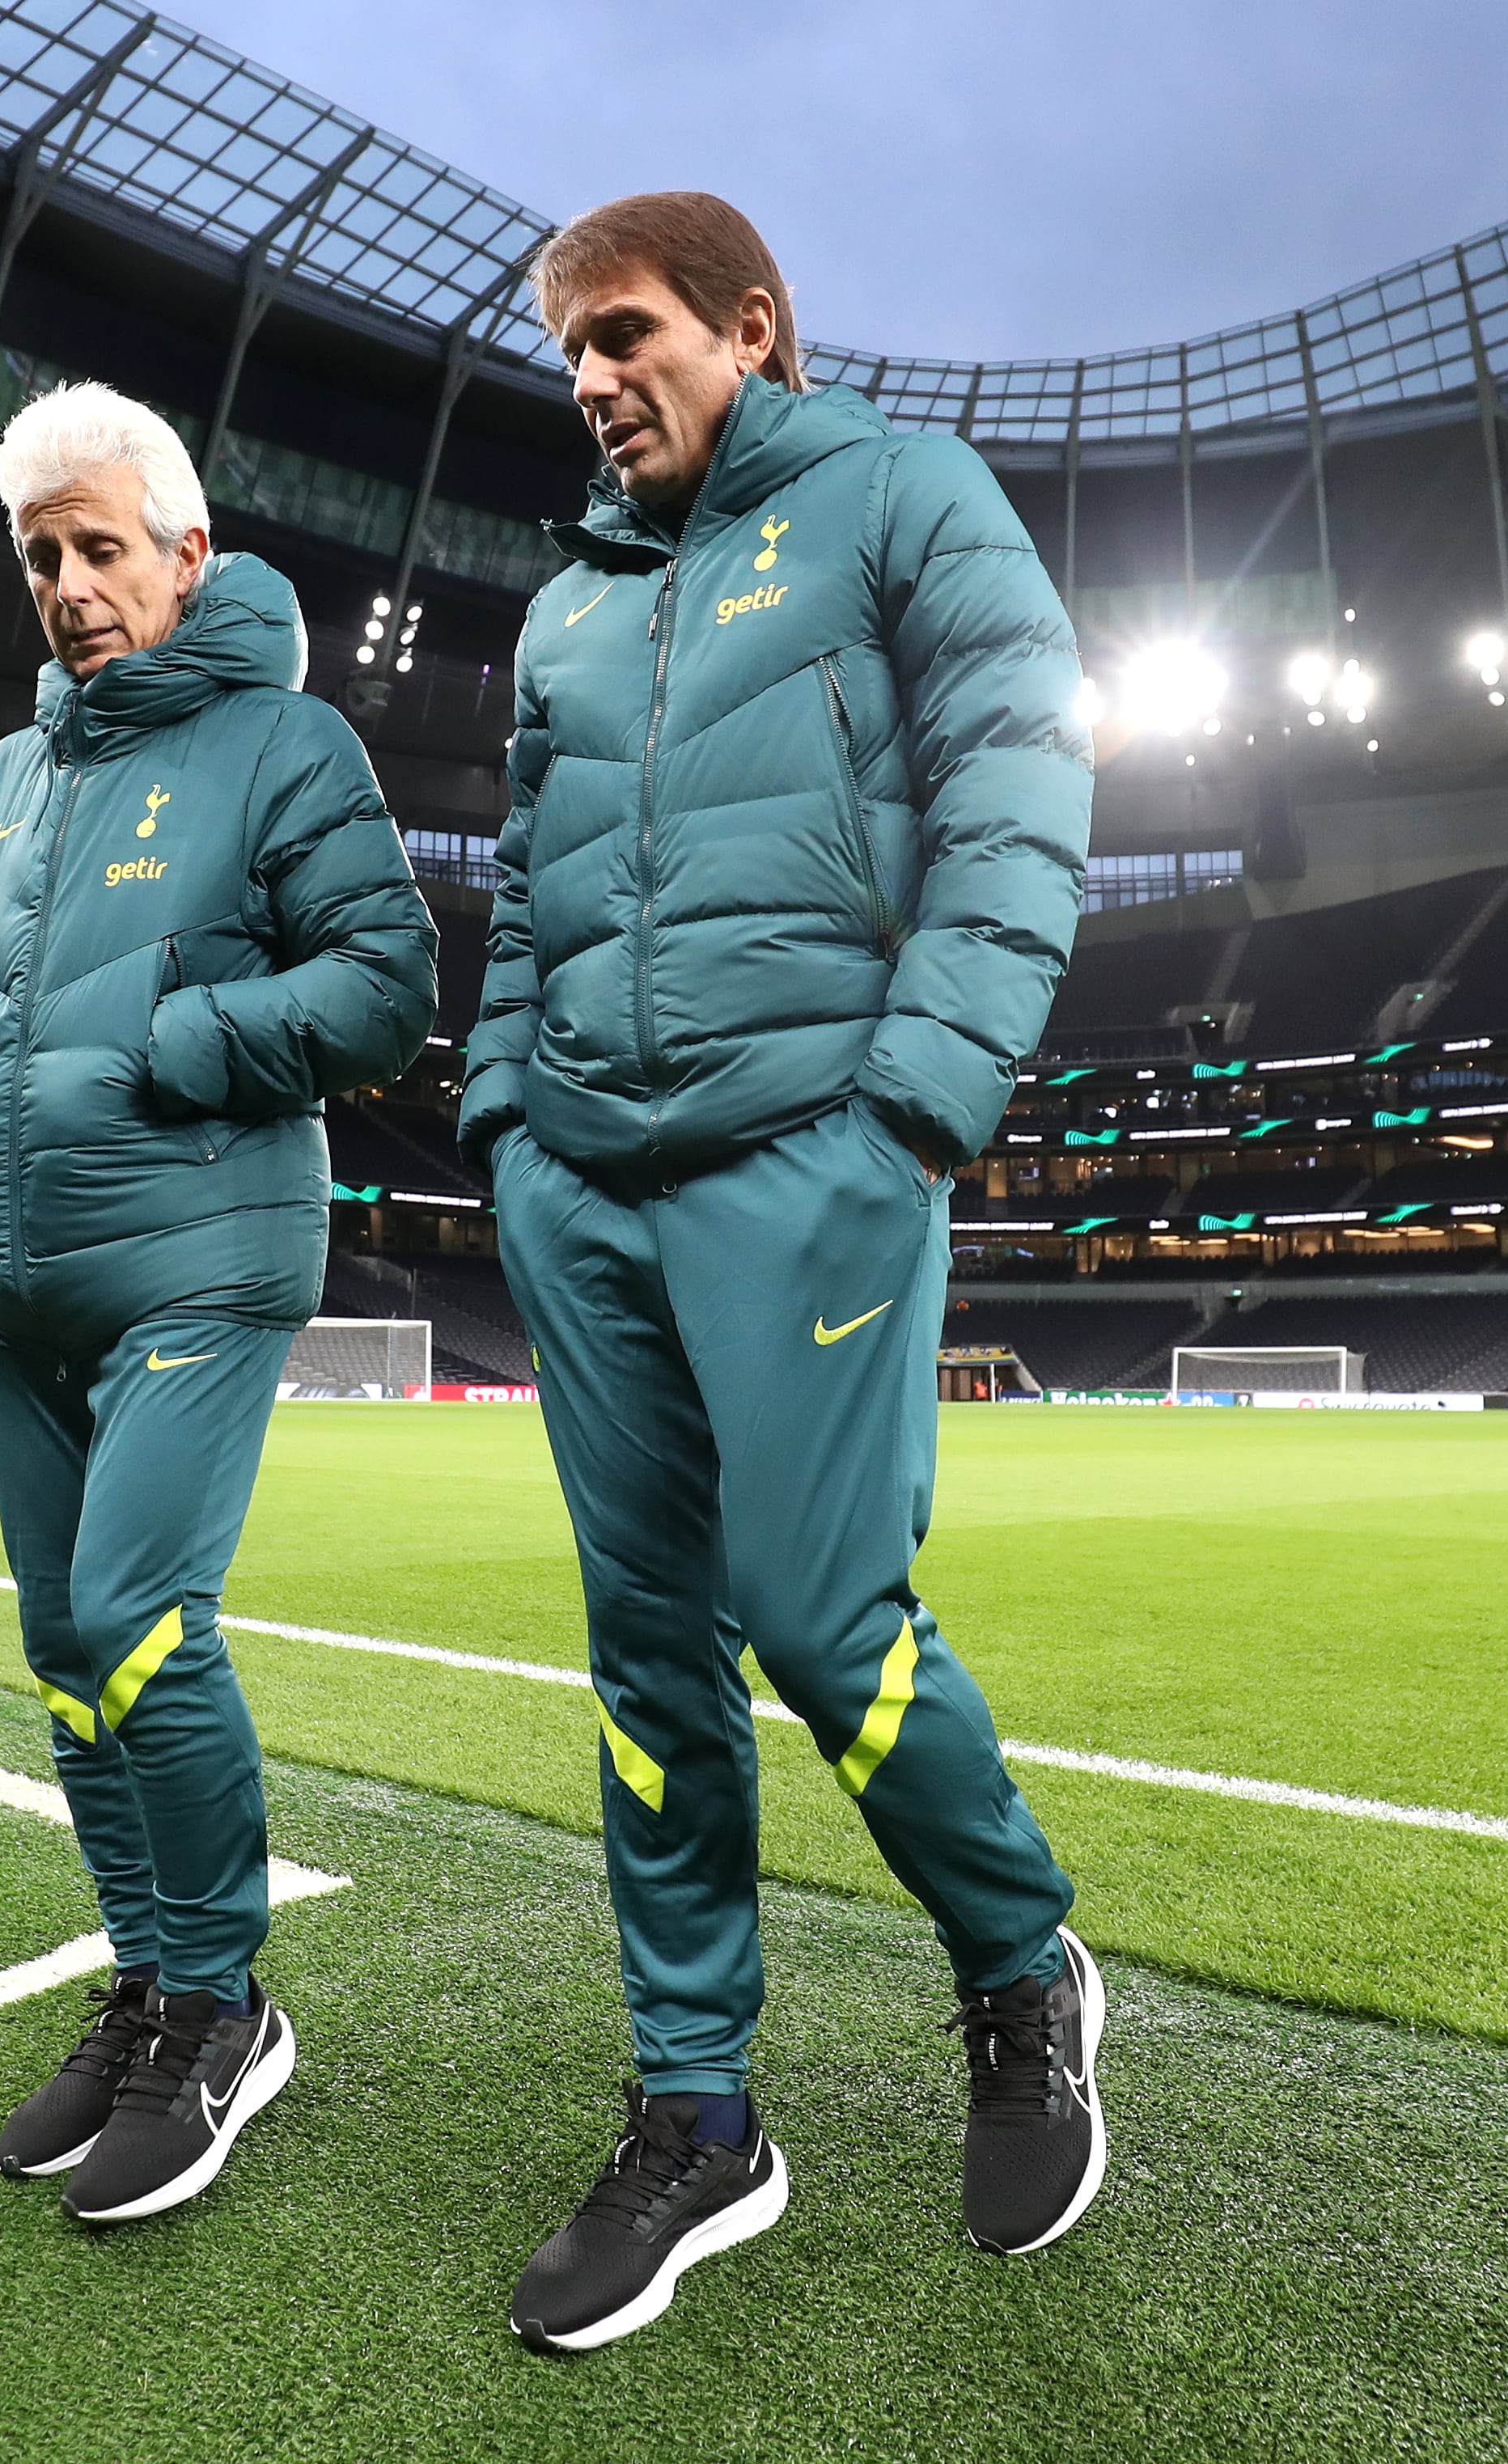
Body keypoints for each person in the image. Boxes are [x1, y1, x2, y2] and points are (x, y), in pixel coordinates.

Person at [456, 194, 1103, 2352]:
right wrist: (503, 1118)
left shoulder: (907, 496)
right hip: (585, 1192)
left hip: (813, 1158)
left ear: (750, 326)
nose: (588, 376)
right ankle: (698, 2113)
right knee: (649, 1667)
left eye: (621, 332)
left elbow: (1022, 775)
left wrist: (914, 1105)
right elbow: (526, 903)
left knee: (824, 1622)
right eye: (565, 351)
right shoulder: (563, 613)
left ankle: (1019, 1959)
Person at [0, 381, 435, 2225]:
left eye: (100, 547)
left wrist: (175, 1041)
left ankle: (224, 1999)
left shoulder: (288, 744)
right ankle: (143, 1983)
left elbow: (384, 987)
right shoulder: (1, 776)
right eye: (38, 553)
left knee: (136, 1615)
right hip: (15, 1275)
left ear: (188, 556)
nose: (65, 583)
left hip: (202, 1253)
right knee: (62, 1648)